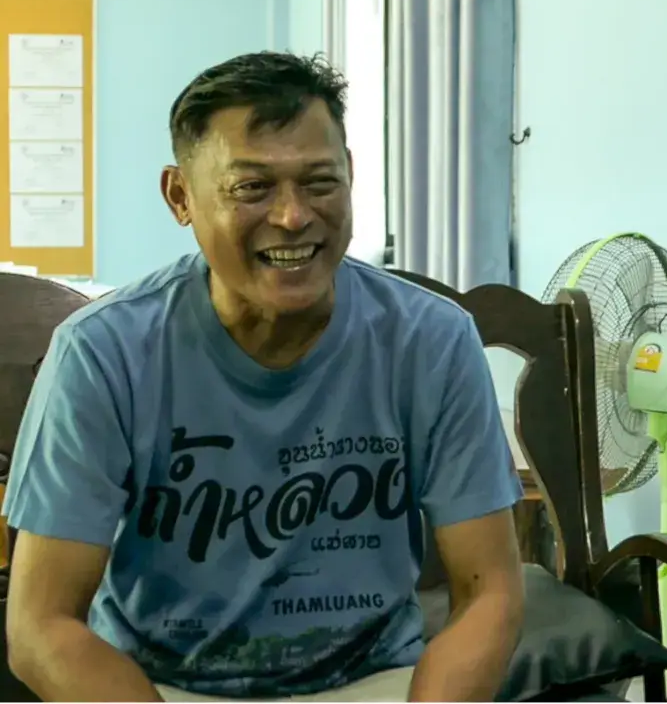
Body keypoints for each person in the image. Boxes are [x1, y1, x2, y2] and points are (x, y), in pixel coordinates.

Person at [3, 52, 524, 702]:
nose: (292, 216)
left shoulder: (432, 340)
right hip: (158, 685)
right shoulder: (103, 353)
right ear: (180, 196)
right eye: (252, 187)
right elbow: (40, 625)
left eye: (319, 182)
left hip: (374, 680)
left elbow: (489, 591)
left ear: (351, 177)